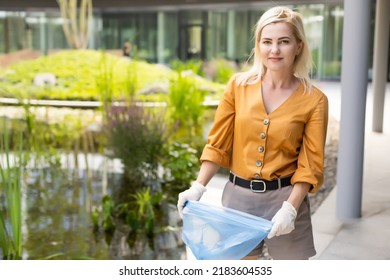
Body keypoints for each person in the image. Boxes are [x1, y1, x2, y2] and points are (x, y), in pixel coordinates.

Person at [177, 6, 329, 260]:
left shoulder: (315, 100)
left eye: (284, 42)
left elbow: (310, 164)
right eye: (267, 41)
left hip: (286, 198)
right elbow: (218, 144)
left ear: (299, 46)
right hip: (239, 201)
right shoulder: (238, 86)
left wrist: (290, 209)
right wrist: (198, 186)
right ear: (258, 45)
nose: (274, 50)